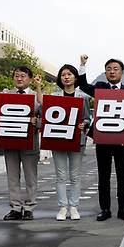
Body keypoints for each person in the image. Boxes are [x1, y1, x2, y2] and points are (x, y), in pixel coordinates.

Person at [78, 55, 124, 222]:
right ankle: (105, 209)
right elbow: (83, 85)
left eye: (115, 69)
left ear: (122, 72)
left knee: (122, 175)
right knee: (103, 176)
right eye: (109, 69)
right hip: (103, 139)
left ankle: (123, 209)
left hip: (123, 140)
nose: (112, 72)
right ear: (105, 73)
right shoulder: (100, 88)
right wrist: (83, 65)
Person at [50, 64, 92, 221]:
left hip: (77, 140)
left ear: (75, 77)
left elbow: (88, 117)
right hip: (58, 139)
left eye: (69, 74)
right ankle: (62, 207)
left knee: (75, 175)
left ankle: (73, 207)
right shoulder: (55, 96)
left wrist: (85, 124)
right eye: (63, 75)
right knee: (60, 175)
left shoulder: (83, 97)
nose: (66, 77)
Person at [2, 66, 43, 221]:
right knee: (12, 177)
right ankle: (15, 208)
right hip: (10, 141)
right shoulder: (6, 95)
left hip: (30, 142)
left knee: (31, 176)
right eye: (16, 76)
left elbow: (46, 116)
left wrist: (36, 122)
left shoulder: (36, 96)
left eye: (23, 76)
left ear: (30, 79)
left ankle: (29, 207)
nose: (19, 79)